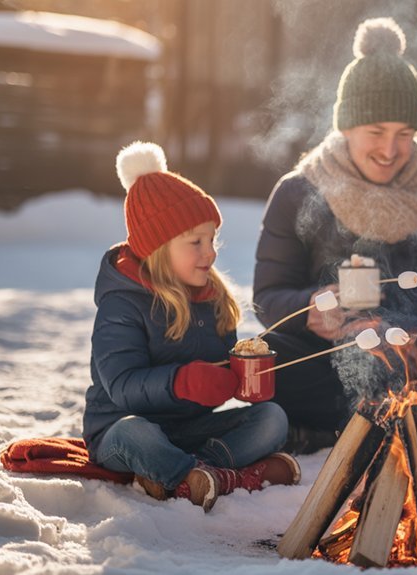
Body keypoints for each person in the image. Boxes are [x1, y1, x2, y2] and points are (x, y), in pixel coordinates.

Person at [253, 17, 417, 458]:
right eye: (376, 132)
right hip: (318, 359)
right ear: (347, 127)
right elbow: (267, 297)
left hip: (398, 363)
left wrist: (401, 331)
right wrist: (309, 310)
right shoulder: (298, 191)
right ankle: (412, 425)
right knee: (266, 362)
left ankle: (332, 431)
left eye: (404, 134)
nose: (390, 150)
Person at [83, 142, 300, 512]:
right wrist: (181, 381)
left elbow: (215, 374)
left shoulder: (212, 297)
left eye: (212, 239)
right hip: (121, 427)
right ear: (158, 247)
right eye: (195, 242)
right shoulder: (122, 303)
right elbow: (121, 385)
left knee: (272, 418)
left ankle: (194, 475)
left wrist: (240, 376)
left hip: (190, 429)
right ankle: (222, 476)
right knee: (135, 434)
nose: (210, 252)